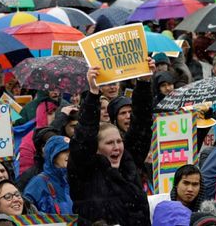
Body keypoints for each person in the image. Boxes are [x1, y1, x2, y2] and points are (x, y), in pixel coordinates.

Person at [68, 59, 155, 225]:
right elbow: (84, 135)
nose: (117, 147)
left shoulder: (129, 162)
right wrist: (93, 93)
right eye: (109, 143)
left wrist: (144, 82)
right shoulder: (85, 171)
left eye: (119, 141)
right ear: (96, 148)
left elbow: (141, 126)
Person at [24, 136, 72, 214]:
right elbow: (27, 213)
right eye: (64, 151)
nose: (69, 154)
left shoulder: (70, 181)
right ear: (52, 154)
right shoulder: (37, 183)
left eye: (71, 151)